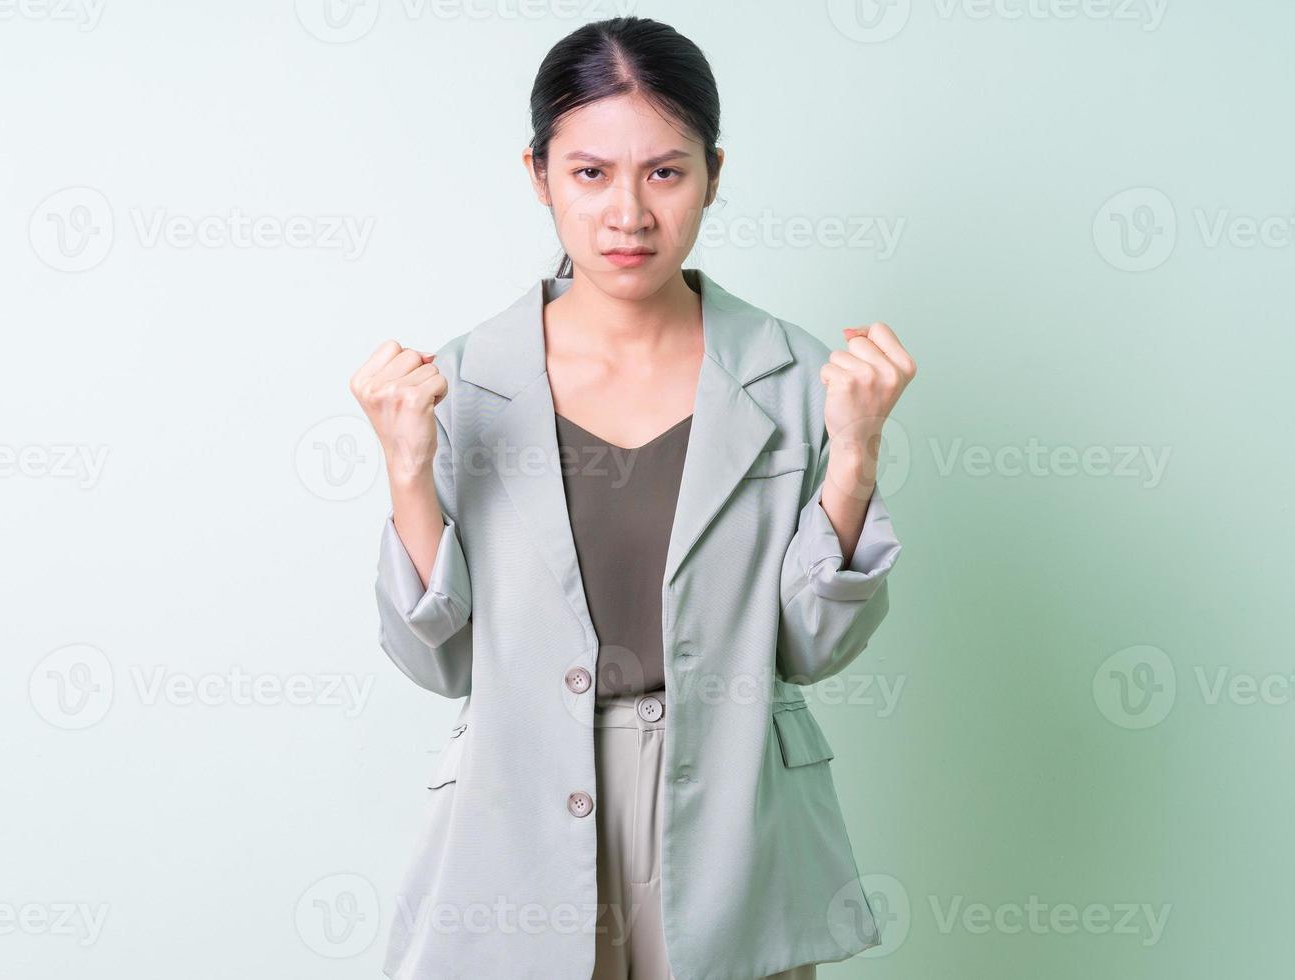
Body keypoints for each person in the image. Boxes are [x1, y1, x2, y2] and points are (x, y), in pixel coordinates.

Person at [350, 16, 916, 980]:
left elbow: (812, 650)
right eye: (589, 173)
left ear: (713, 173)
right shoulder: (459, 385)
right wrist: (408, 469)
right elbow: (436, 664)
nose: (628, 214)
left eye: (665, 172)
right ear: (537, 176)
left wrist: (856, 455)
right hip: (520, 815)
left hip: (736, 817)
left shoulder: (794, 378)